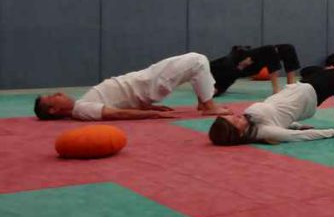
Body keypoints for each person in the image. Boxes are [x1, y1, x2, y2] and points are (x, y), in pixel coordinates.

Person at [207, 67, 334, 146]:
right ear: (238, 133)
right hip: (308, 95)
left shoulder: (250, 120)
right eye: (234, 121)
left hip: (299, 89)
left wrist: (296, 125)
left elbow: (278, 118)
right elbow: (297, 137)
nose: (235, 116)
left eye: (231, 117)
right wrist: (332, 132)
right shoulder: (264, 131)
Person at [34, 53, 229, 121]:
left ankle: (204, 103)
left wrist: (147, 107)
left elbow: (119, 103)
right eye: (54, 97)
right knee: (197, 60)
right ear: (53, 110)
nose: (59, 93)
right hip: (147, 84)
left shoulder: (83, 104)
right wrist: (152, 114)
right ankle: (208, 105)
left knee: (194, 66)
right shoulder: (82, 108)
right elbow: (116, 114)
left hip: (145, 83)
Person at [210, 44, 301, 96]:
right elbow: (222, 85)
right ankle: (278, 90)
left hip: (240, 58)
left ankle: (290, 86)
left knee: (287, 48)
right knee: (270, 50)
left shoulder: (210, 68)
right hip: (238, 67)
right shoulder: (220, 83)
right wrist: (239, 68)